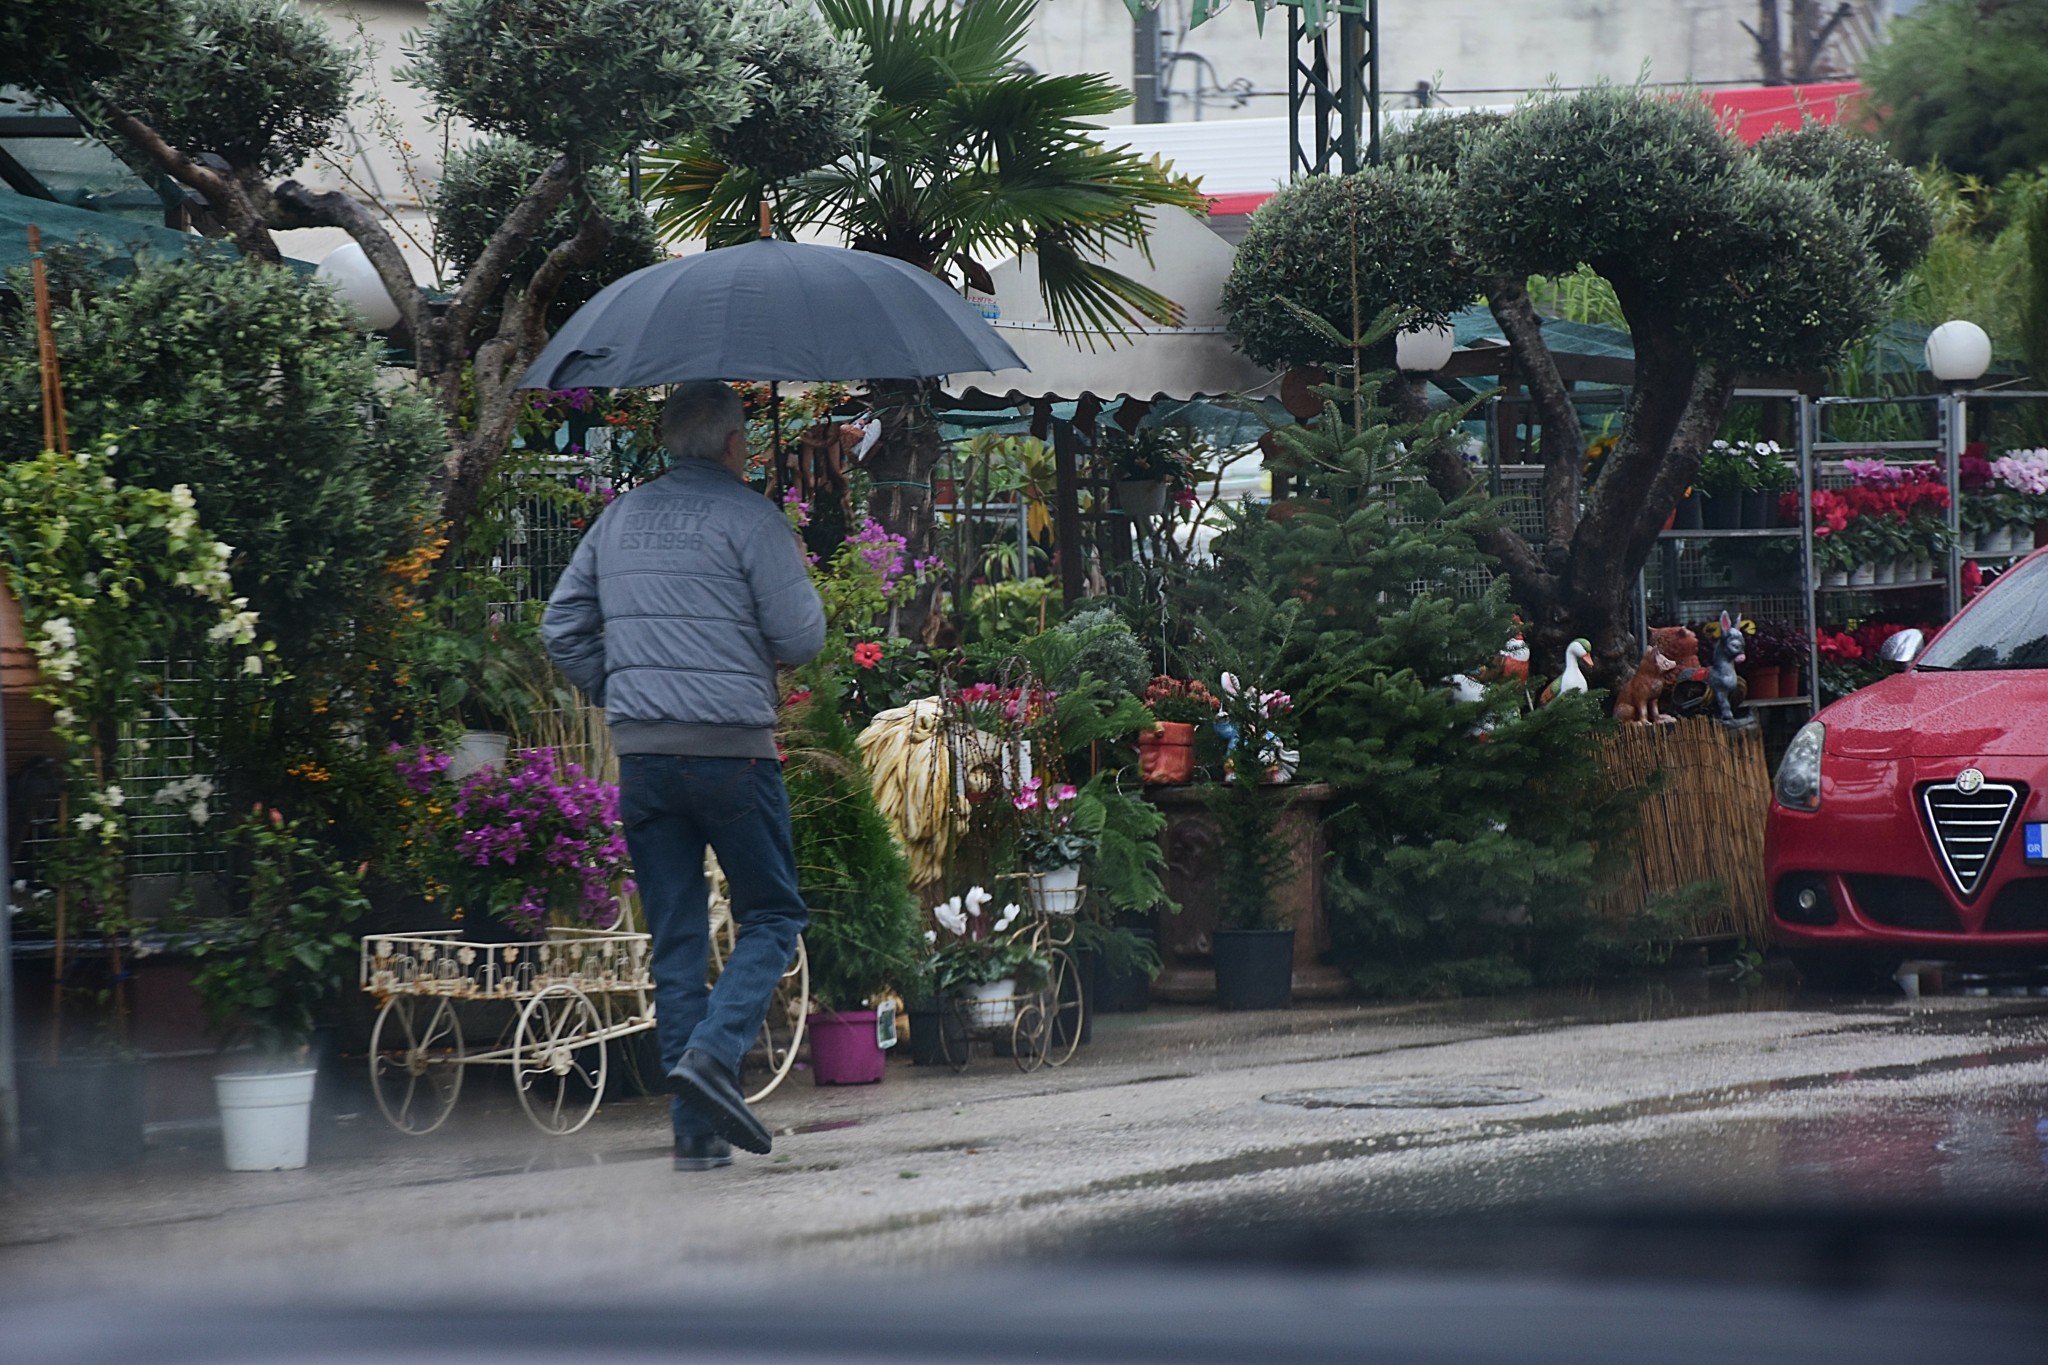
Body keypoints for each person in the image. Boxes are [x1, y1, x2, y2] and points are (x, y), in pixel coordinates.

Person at [543, 382, 824, 1170]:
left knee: (676, 938)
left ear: (670, 442)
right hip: (733, 751)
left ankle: (695, 1137)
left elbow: (560, 626)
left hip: (645, 758)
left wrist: (620, 690)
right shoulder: (751, 517)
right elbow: (801, 636)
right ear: (737, 444)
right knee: (772, 914)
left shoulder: (618, 518)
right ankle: (715, 1049)